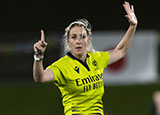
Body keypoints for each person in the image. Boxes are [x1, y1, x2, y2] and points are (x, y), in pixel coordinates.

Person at [33, 1, 138, 115]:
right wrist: (38, 56)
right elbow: (40, 78)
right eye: (73, 37)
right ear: (68, 42)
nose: (78, 41)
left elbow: (121, 51)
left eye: (82, 36)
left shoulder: (97, 58)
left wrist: (133, 26)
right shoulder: (62, 66)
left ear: (88, 40)